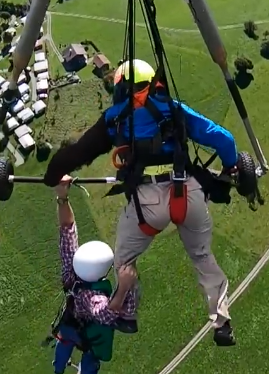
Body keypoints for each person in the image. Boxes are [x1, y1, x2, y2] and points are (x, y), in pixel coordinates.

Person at [43, 59, 239, 347]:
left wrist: (52, 176)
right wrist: (232, 166)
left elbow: (77, 154)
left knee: (124, 260)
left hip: (146, 206)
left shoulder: (115, 118)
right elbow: (222, 139)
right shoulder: (173, 109)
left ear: (120, 88)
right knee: (202, 258)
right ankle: (222, 321)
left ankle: (126, 314)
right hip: (187, 195)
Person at [50, 175, 138, 374]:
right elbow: (106, 315)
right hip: (91, 337)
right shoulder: (93, 297)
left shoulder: (70, 272)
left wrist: (62, 197)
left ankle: (59, 368)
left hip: (71, 326)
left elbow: (67, 230)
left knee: (63, 347)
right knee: (91, 361)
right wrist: (124, 286)